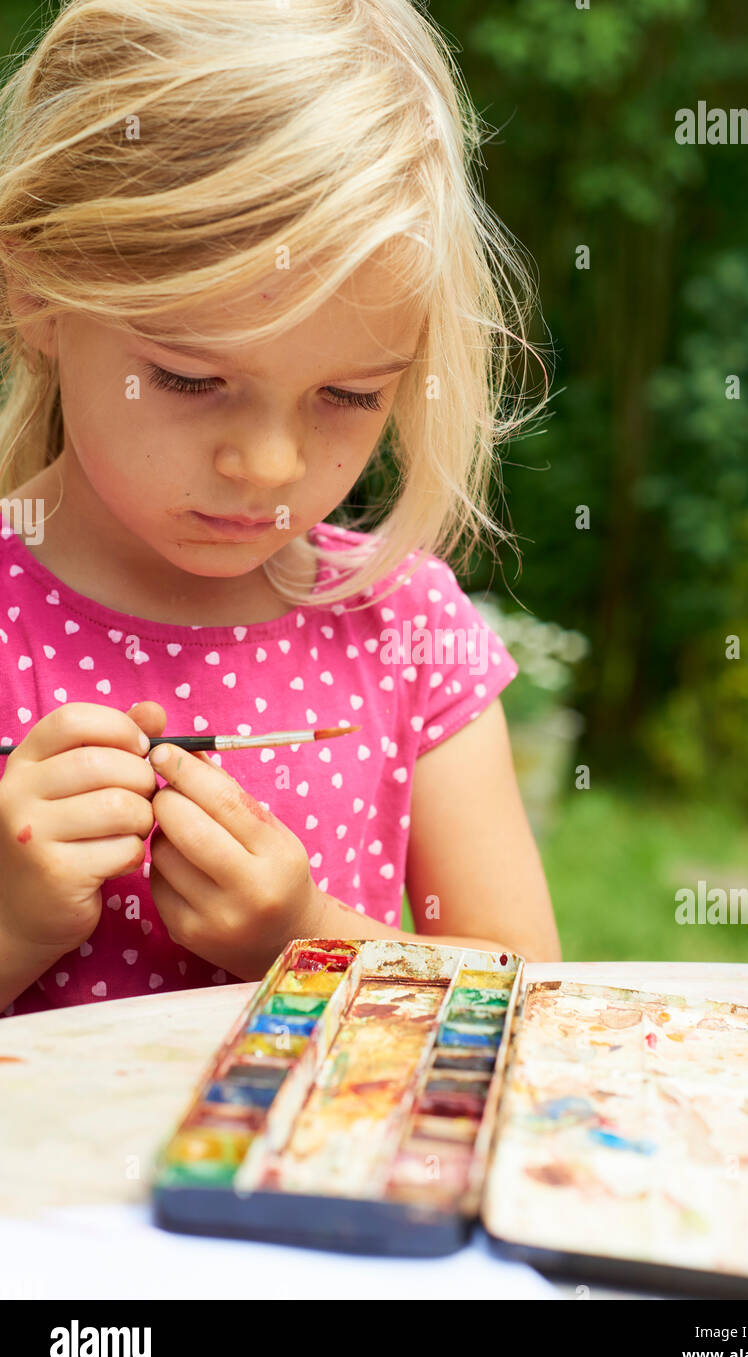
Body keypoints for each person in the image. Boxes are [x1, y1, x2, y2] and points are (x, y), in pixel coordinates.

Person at [0, 0, 560, 1015]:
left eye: (348, 397)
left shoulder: (404, 626)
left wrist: (310, 937)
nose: (266, 465)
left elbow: (532, 994)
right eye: (188, 379)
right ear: (35, 289)